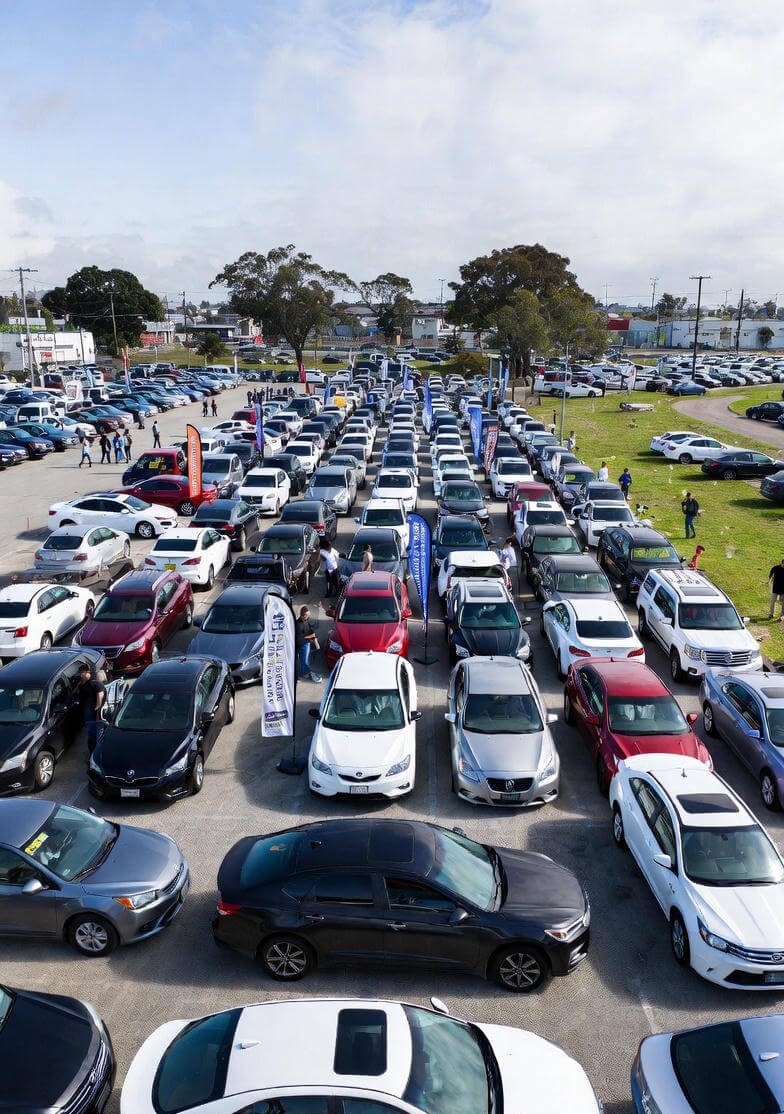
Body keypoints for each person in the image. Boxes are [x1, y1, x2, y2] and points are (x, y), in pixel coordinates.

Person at [76, 665, 105, 752]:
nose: (81, 675)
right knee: (91, 731)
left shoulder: (94, 682)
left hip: (92, 713)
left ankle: (93, 752)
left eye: (82, 673)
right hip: (87, 711)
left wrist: (97, 706)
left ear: (87, 672)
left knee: (92, 733)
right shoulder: (84, 682)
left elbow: (100, 694)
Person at [295, 606, 321, 681]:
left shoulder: (306, 620)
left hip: (307, 643)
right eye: (307, 615)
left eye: (309, 615)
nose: (308, 617)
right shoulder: (298, 625)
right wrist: (311, 636)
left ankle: (306, 671)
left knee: (307, 660)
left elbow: (309, 629)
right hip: (302, 645)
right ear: (303, 615)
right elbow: (299, 638)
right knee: (304, 660)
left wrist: (313, 635)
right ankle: (305, 674)